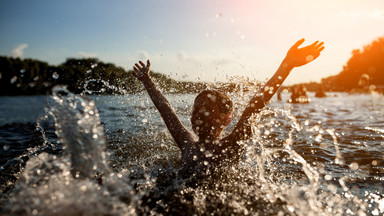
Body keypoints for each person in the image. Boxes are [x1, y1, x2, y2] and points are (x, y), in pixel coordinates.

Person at [132, 38, 324, 177]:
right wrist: (148, 81)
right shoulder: (186, 143)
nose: (198, 115)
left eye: (207, 110)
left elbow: (254, 107)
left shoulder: (230, 146)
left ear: (227, 119)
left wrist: (286, 66)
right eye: (196, 110)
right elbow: (166, 109)